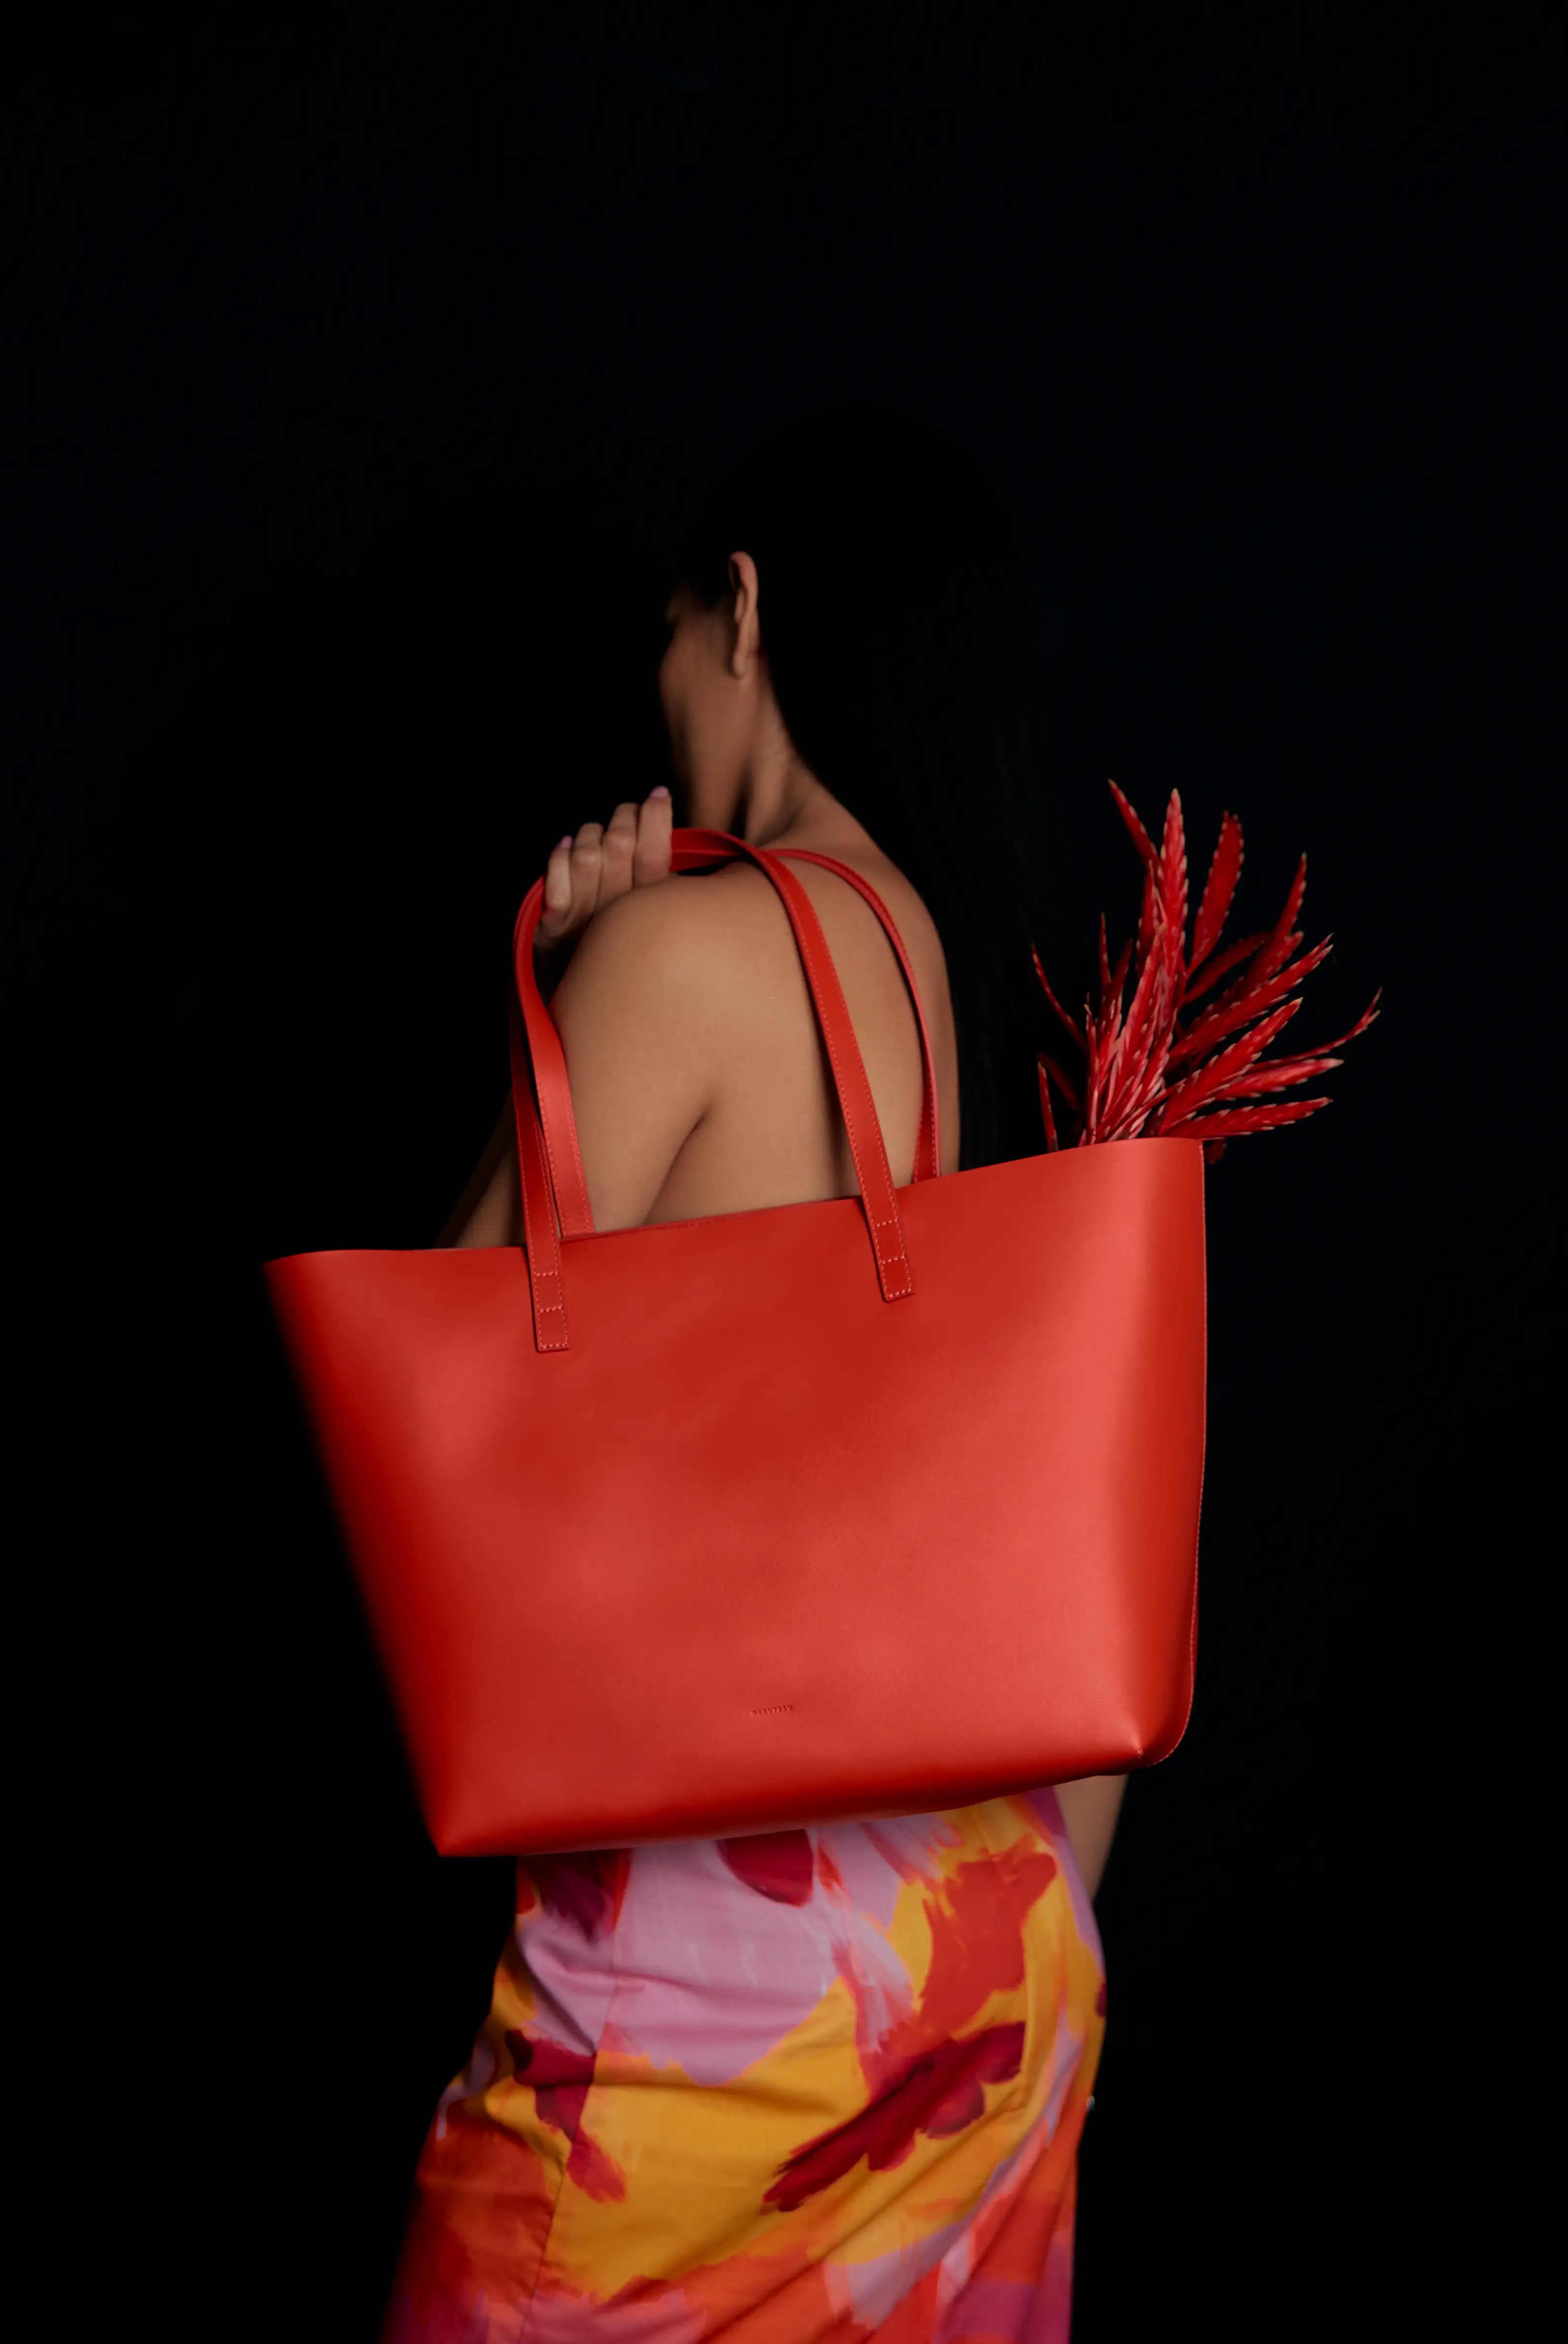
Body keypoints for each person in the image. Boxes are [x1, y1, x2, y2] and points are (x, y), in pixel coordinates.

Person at [388, 403, 1120, 2341]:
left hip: (730, 1989)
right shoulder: (960, 981)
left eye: (670, 635)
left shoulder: (688, 956)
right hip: (993, 1940)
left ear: (744, 608)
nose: (662, 687)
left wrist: (575, 980)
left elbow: (422, 1420)